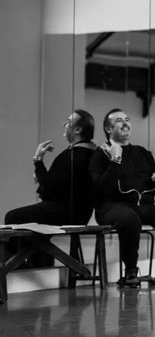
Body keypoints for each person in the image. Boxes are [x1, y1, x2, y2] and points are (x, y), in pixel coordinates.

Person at [89, 108, 155, 287]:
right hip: (110, 207)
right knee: (130, 219)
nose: (125, 123)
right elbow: (102, 188)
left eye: (127, 119)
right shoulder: (100, 155)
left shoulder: (143, 153)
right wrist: (115, 160)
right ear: (108, 129)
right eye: (118, 121)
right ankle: (130, 272)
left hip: (141, 207)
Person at [4, 110, 96, 266]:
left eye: (68, 121)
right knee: (34, 225)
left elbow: (48, 191)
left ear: (77, 130)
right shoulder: (92, 152)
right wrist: (42, 176)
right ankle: (40, 259)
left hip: (65, 212)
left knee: (13, 217)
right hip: (81, 212)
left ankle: (15, 264)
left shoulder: (72, 155)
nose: (64, 124)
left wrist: (38, 160)